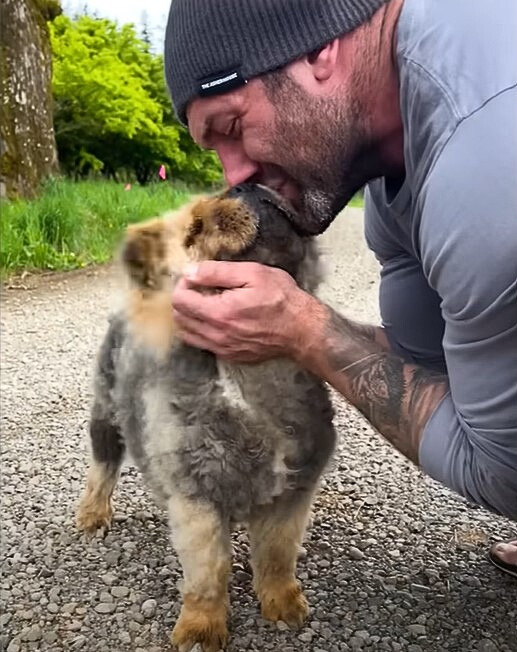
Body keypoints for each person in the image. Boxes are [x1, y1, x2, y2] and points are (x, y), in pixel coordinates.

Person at [163, 0, 517, 576]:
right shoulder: (390, 167)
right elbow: (437, 362)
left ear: (318, 49)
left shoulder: (488, 167)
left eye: (231, 128)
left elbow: (503, 470)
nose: (232, 177)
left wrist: (303, 329)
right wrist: (280, 322)